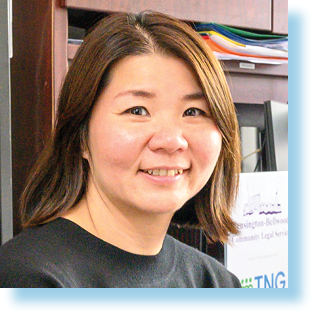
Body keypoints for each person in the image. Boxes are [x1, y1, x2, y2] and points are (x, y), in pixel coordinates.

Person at [0, 11, 241, 288]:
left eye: (193, 111)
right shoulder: (26, 279)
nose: (171, 140)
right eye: (137, 110)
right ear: (80, 135)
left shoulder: (217, 283)